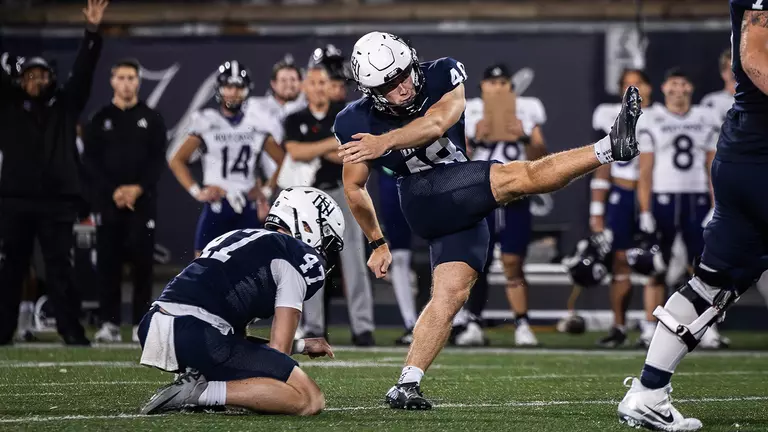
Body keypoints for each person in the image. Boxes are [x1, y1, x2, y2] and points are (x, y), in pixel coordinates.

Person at [335, 31, 642, 409]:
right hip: (420, 195)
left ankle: (407, 382)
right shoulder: (353, 120)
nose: (401, 89)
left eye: (403, 76)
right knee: (519, 177)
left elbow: (437, 122)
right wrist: (377, 241)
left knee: (450, 295)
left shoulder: (442, 73)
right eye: (388, 85)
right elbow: (354, 187)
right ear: (370, 92)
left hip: (459, 191)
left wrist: (385, 141)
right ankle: (611, 147)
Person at [615, 3, 768, 420]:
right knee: (677, 272)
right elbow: (754, 59)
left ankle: (649, 392)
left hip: (743, 158)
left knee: (710, 282)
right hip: (757, 158)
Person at [137, 187, 342, 416]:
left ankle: (200, 384)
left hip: (157, 324)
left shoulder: (237, 237)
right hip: (198, 333)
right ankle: (199, 393)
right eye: (325, 238)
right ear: (306, 225)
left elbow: (237, 346)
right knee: (309, 399)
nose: (324, 250)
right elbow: (278, 355)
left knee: (244, 372)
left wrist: (301, 346)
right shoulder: (292, 256)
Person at [0, 0, 108, 346]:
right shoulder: (8, 105)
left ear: (51, 77)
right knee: (11, 270)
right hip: (14, 200)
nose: (35, 80)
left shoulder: (66, 103)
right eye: (29, 75)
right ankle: (3, 330)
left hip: (57, 202)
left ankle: (71, 330)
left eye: (41, 74)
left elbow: (85, 70)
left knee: (60, 269)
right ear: (19, 79)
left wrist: (92, 33)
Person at [453, 62, 547, 347]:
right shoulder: (467, 110)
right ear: (482, 86)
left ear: (510, 87)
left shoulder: (527, 109)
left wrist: (524, 135)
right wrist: (473, 139)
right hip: (482, 196)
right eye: (492, 83)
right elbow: (454, 158)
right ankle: (473, 322)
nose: (497, 88)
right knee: (476, 264)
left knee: (513, 262)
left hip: (515, 195)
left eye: (503, 83)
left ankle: (522, 323)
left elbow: (542, 155)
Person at [282, 65, 375, 346]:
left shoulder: (344, 115)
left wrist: (316, 147)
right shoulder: (294, 118)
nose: (320, 87)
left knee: (355, 260)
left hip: (344, 191)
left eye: (324, 82)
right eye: (314, 82)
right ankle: (313, 327)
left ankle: (363, 327)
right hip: (309, 197)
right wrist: (328, 145)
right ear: (305, 87)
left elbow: (349, 156)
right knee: (310, 261)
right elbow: (295, 152)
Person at [634, 68, 726, 350]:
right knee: (656, 266)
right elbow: (645, 170)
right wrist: (645, 210)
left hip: (696, 197)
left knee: (702, 269)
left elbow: (713, 165)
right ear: (664, 88)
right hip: (663, 196)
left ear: (690, 88)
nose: (678, 89)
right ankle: (650, 326)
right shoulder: (651, 118)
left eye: (683, 83)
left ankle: (705, 327)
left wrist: (716, 204)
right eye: (673, 83)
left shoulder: (705, 117)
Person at [83, 58, 168, 343]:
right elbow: (91, 162)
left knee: (143, 265)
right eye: (121, 77)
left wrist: (137, 189)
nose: (126, 83)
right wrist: (115, 191)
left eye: (131, 78)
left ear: (139, 82)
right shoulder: (99, 118)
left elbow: (157, 161)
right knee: (108, 264)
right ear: (112, 80)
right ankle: (109, 323)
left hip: (142, 204)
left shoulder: (152, 119)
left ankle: (141, 323)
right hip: (109, 203)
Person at [169, 60, 284, 257]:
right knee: (202, 268)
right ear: (220, 88)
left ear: (246, 89)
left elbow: (283, 161)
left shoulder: (255, 122)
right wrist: (197, 191)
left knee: (250, 269)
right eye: (229, 86)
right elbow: (176, 160)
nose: (233, 92)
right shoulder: (207, 121)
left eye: (238, 86)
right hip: (217, 205)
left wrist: (266, 189)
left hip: (248, 206)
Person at [590, 69, 658, 348]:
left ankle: (652, 326)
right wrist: (596, 210)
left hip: (655, 194)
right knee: (619, 261)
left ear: (650, 87)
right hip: (620, 193)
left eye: (639, 83)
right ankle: (618, 325)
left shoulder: (660, 117)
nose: (633, 89)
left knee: (655, 264)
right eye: (627, 84)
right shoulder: (607, 113)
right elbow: (601, 164)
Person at [701, 49, 736, 124]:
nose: (737, 74)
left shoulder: (756, 100)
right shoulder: (711, 101)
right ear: (723, 73)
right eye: (732, 70)